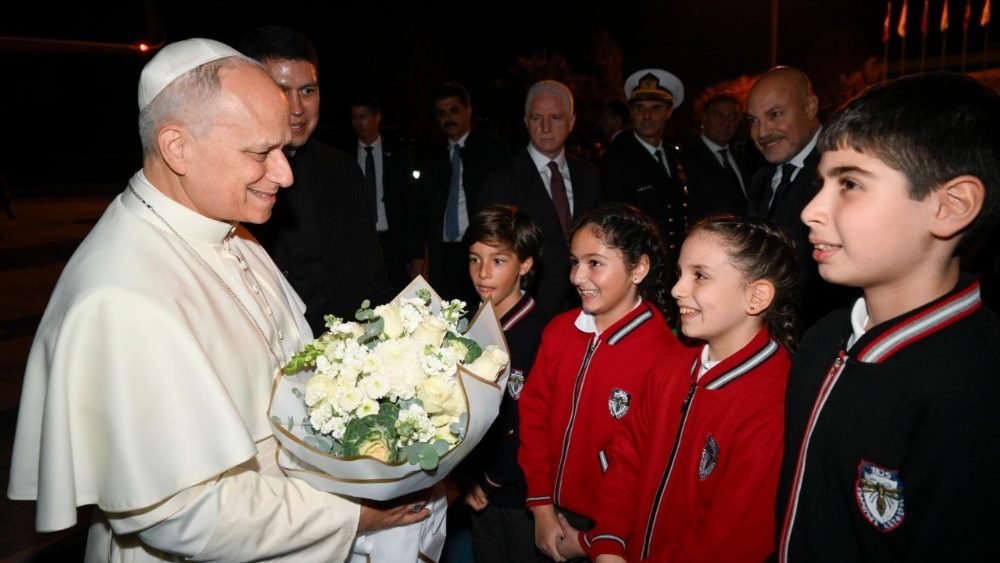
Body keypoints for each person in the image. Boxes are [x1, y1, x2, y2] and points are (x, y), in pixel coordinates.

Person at [6, 38, 429, 562]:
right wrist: (352, 515)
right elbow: (184, 516)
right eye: (259, 153)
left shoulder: (225, 228)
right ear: (177, 146)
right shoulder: (122, 298)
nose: (285, 173)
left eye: (283, 149)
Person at [776, 72, 1000, 561]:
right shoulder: (822, 340)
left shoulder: (974, 392)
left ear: (950, 206)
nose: (812, 210)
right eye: (822, 184)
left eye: (850, 183)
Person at [558, 215, 798, 562]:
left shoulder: (771, 401)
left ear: (756, 296)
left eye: (699, 276)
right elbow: (627, 461)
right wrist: (608, 544)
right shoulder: (672, 368)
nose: (676, 290)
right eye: (681, 273)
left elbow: (731, 539)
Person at [518, 202, 681, 561]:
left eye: (595, 263)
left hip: (611, 530)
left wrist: (597, 541)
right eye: (575, 262)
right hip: (548, 509)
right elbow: (534, 416)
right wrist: (542, 506)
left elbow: (647, 470)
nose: (577, 277)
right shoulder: (560, 331)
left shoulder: (666, 358)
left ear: (638, 268)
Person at [239, 25, 393, 335]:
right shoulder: (229, 175)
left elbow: (373, 278)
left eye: (307, 91)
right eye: (281, 91)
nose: (296, 109)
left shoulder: (344, 171)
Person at [461, 205, 548, 563]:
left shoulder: (539, 333)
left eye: (498, 261)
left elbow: (530, 425)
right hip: (480, 490)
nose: (482, 273)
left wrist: (490, 480)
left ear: (525, 265)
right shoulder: (471, 325)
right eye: (474, 259)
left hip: (520, 493)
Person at [479, 80, 603, 319]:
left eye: (555, 117)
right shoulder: (501, 181)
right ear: (526, 123)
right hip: (528, 313)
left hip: (587, 309)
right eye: (537, 118)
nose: (546, 127)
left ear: (571, 122)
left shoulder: (589, 176)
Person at [746, 66, 855, 330]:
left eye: (774, 115)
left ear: (810, 106)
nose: (762, 132)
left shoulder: (847, 170)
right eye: (753, 120)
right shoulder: (761, 179)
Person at [418, 81, 511, 306]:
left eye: (454, 111)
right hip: (442, 253)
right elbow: (420, 208)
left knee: (479, 312)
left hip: (480, 249)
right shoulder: (431, 156)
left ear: (468, 110)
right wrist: (418, 256)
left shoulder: (493, 151)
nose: (447, 118)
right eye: (441, 113)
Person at [600, 68, 688, 255]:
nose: (647, 116)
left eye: (655, 108)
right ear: (631, 112)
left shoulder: (675, 156)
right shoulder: (617, 160)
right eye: (640, 108)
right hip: (642, 264)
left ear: (669, 112)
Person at [348, 94, 423, 291]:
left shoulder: (398, 153)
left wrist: (416, 255)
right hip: (360, 241)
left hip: (393, 242)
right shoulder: (345, 156)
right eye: (355, 117)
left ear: (376, 117)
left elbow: (413, 205)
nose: (358, 123)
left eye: (363, 116)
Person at [682, 94, 750, 222]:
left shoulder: (743, 159)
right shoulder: (687, 159)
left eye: (732, 117)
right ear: (704, 117)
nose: (726, 123)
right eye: (719, 116)